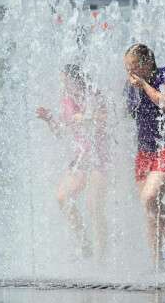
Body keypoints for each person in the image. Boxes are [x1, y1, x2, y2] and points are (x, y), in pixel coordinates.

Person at [36, 64, 109, 259]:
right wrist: (50, 119)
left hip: (99, 156)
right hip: (80, 158)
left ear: (77, 80)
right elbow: (61, 132)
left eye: (65, 81)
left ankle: (102, 257)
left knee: (94, 206)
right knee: (62, 196)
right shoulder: (67, 100)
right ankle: (85, 243)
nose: (63, 85)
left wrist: (87, 117)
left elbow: (107, 118)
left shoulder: (94, 94)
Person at [123, 44, 165, 264]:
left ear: (146, 63)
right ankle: (156, 266)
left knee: (150, 197)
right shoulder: (131, 86)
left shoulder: (164, 74)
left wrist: (143, 85)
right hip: (144, 153)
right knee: (148, 208)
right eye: (126, 69)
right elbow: (126, 116)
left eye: (132, 68)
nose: (129, 73)